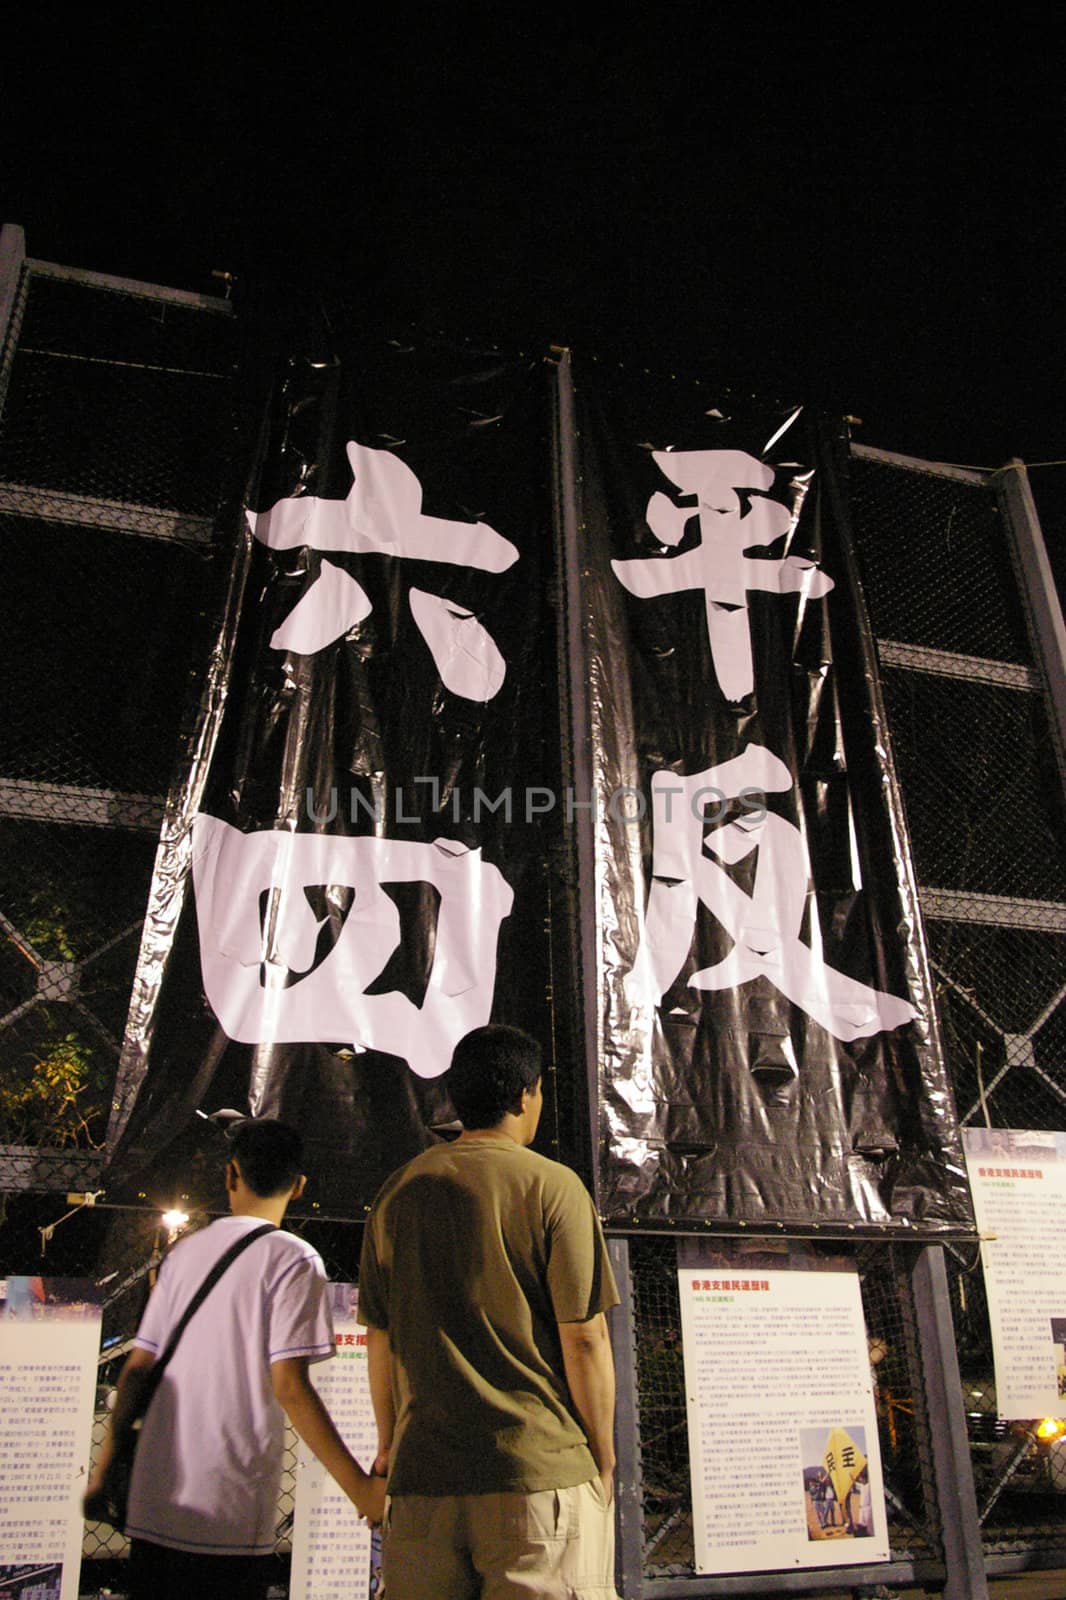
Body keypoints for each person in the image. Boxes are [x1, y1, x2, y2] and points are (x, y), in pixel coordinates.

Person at [358, 1024, 621, 1599]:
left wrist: (389, 1445)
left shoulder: (397, 1192)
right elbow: (585, 1339)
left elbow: (380, 1341)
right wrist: (601, 1454)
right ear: (526, 1095)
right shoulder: (554, 1187)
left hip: (423, 1481)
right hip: (537, 1475)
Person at [84, 1118, 385, 1600]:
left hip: (156, 1503)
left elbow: (137, 1369)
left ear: (230, 1175)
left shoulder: (184, 1253)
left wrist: (104, 1472)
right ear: (300, 1186)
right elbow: (290, 1385)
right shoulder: (295, 1258)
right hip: (229, 1511)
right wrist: (361, 1490)